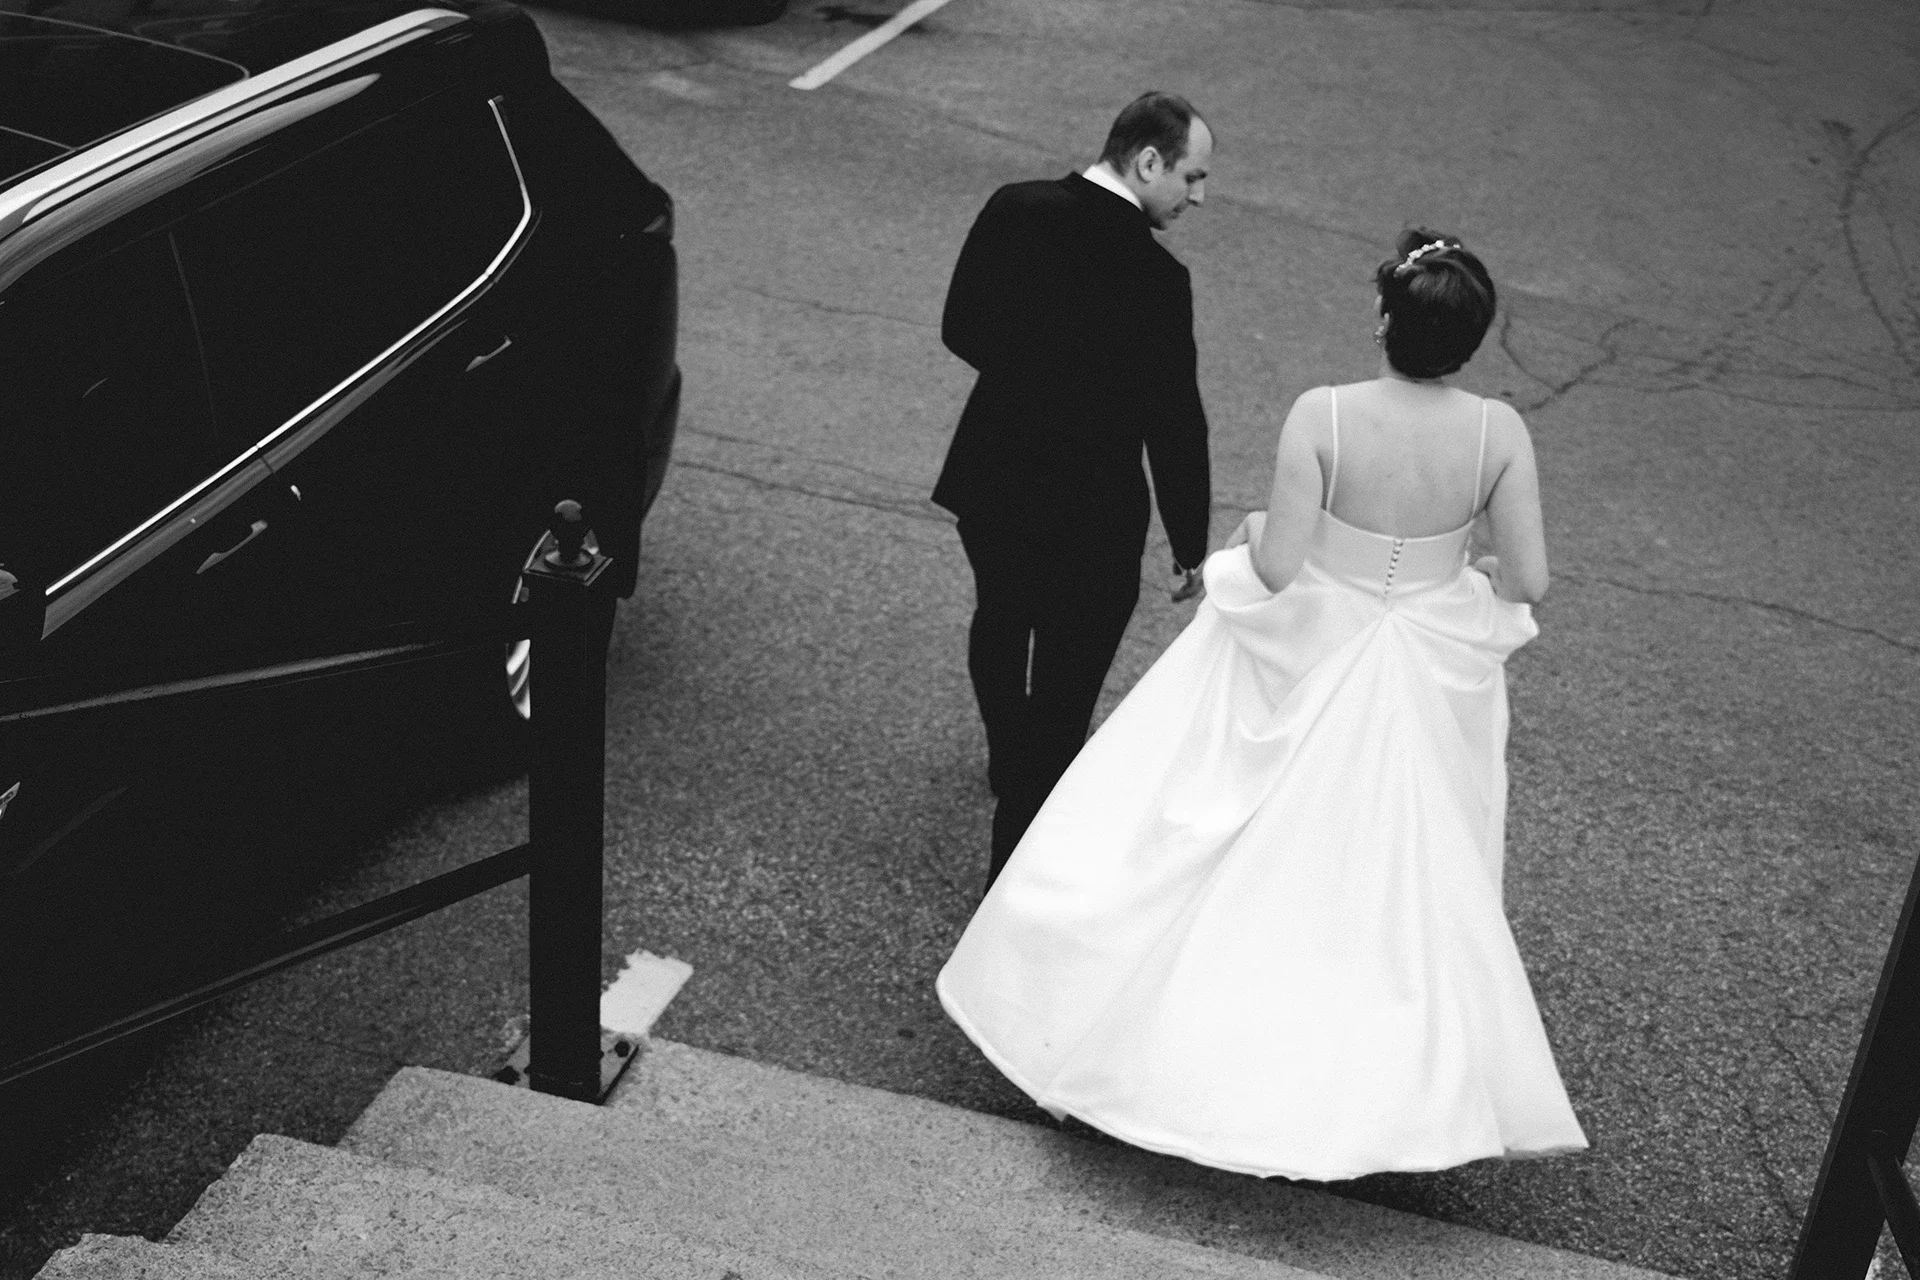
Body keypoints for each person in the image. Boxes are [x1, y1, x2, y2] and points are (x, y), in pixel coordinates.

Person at [937, 229, 1589, 1181]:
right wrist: (1471, 567)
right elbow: (1529, 578)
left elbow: (1281, 566)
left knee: (1213, 834)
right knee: (1400, 876)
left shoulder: (1323, 414)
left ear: (1383, 319)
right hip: (1420, 669)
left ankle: (1152, 1048)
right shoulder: (1500, 434)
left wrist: (1244, 530)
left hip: (1318, 651)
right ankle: (1388, 1093)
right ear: (1472, 340)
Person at [934, 91, 1215, 891]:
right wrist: (1188, 541)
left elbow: (961, 328)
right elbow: (1174, 420)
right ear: (1148, 160)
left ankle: (1002, 748)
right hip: (1092, 513)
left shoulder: (1014, 209)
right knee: (1063, 704)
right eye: (1191, 177)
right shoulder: (1160, 280)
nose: (1198, 196)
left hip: (994, 477)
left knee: (999, 613)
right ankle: (1007, 884)